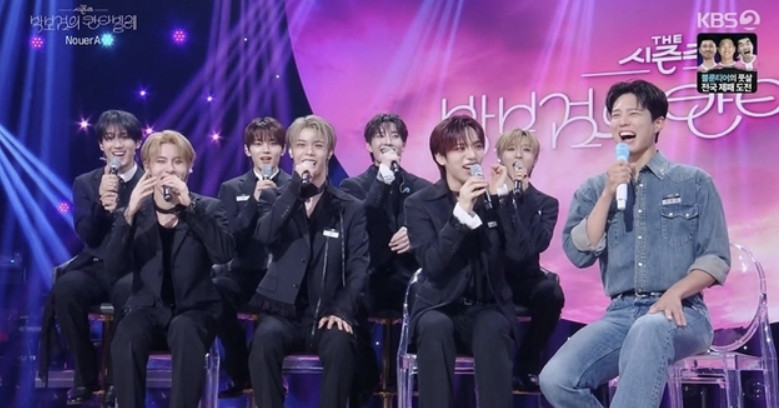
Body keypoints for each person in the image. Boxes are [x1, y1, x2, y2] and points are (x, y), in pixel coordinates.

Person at [538, 79, 730, 408]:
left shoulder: (694, 182)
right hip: (620, 314)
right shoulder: (594, 188)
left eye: (633, 113)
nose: (622, 122)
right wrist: (608, 194)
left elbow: (715, 257)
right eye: (615, 115)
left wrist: (675, 292)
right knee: (556, 378)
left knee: (650, 327)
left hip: (683, 313)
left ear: (658, 123)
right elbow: (579, 253)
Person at [248, 115, 375, 408]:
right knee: (263, 342)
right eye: (301, 145)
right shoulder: (274, 198)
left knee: (341, 345)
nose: (309, 152)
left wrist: (342, 309)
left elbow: (359, 267)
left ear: (329, 152)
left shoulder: (349, 208)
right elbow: (265, 235)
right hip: (283, 314)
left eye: (317, 145)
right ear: (291, 152)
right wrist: (294, 189)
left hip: (329, 312)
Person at [106, 130, 235, 408]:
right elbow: (113, 268)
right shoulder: (135, 213)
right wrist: (128, 213)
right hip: (147, 309)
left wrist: (190, 207)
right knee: (127, 334)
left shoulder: (209, 208)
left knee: (185, 330)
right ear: (148, 167)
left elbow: (224, 253)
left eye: (178, 161)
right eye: (161, 161)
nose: (169, 169)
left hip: (195, 311)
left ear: (189, 167)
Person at [405, 115, 524, 408]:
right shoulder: (419, 204)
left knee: (492, 327)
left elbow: (519, 255)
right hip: (439, 305)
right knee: (434, 327)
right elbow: (432, 263)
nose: (471, 155)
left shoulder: (494, 198)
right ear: (440, 157)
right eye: (460, 148)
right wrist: (460, 214)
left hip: (487, 306)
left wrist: (503, 201)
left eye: (477, 146)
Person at [40, 110, 141, 406]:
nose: (117, 145)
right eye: (109, 138)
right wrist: (101, 206)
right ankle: (85, 375)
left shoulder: (148, 181)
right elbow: (88, 235)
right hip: (96, 265)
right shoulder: (86, 183)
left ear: (137, 142)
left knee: (128, 292)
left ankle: (116, 380)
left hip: (133, 267)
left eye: (124, 137)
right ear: (101, 145)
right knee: (66, 289)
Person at [214, 117, 292, 398]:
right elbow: (229, 241)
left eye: (273, 143)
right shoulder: (232, 188)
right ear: (248, 150)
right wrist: (252, 204)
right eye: (258, 144)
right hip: (244, 273)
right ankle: (240, 367)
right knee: (215, 291)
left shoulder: (294, 186)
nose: (266, 150)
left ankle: (269, 374)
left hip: (282, 274)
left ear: (283, 149)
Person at [339, 113, 431, 315]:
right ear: (368, 145)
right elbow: (363, 220)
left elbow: (436, 229)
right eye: (380, 136)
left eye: (395, 136)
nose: (388, 142)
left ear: (403, 145)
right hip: (369, 277)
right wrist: (383, 177)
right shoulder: (351, 187)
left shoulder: (422, 188)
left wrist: (416, 235)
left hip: (410, 278)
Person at [495, 128, 564, 391]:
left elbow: (538, 244)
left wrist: (524, 199)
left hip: (526, 279)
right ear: (500, 156)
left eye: (526, 151)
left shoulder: (545, 203)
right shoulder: (485, 196)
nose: (518, 156)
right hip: (492, 277)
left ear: (534, 160)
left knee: (552, 293)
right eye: (511, 149)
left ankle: (527, 363)